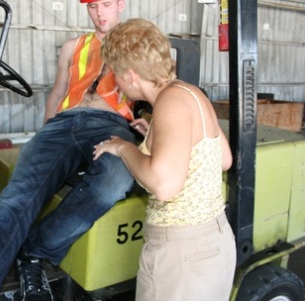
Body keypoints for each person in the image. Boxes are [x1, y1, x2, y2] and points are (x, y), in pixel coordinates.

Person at [0, 1, 137, 301]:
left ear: (121, 4)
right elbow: (58, 90)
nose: (100, 13)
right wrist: (47, 129)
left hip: (110, 125)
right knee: (16, 198)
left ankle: (35, 250)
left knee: (115, 181)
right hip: (64, 123)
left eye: (106, 4)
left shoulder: (136, 42)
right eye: (92, 7)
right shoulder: (72, 47)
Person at [94, 18, 236, 301]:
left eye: (116, 74)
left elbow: (164, 185)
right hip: (214, 242)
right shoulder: (190, 92)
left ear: (132, 76)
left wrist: (124, 148)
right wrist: (156, 138)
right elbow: (223, 159)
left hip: (181, 255)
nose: (117, 83)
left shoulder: (169, 103)